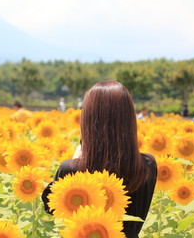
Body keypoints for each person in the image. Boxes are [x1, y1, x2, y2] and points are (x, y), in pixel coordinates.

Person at [41, 81, 157, 238]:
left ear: (87, 120)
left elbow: (50, 207)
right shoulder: (148, 166)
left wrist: (75, 162)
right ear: (129, 118)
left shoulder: (71, 170)